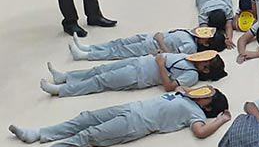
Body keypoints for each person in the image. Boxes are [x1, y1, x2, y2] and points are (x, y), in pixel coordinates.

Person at [9, 86, 230, 147]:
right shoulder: (184, 95)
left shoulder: (195, 113)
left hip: (135, 124)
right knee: (86, 117)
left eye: (207, 95)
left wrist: (220, 119)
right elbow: (178, 86)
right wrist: (189, 91)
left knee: (88, 136)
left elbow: (200, 132)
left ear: (208, 106)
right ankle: (38, 134)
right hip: (131, 107)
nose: (202, 92)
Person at [40, 50, 227, 97]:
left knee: (100, 81)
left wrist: (160, 64)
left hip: (139, 76)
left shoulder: (192, 75)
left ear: (205, 69)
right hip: (140, 62)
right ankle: (66, 77)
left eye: (205, 60)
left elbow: (169, 87)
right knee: (100, 70)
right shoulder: (190, 57)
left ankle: (61, 91)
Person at [69, 25, 226, 61]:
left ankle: (85, 55)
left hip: (151, 46)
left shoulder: (191, 47)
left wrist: (160, 40)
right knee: (119, 42)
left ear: (206, 43)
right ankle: (88, 47)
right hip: (149, 37)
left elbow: (170, 55)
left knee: (118, 52)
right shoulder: (191, 33)